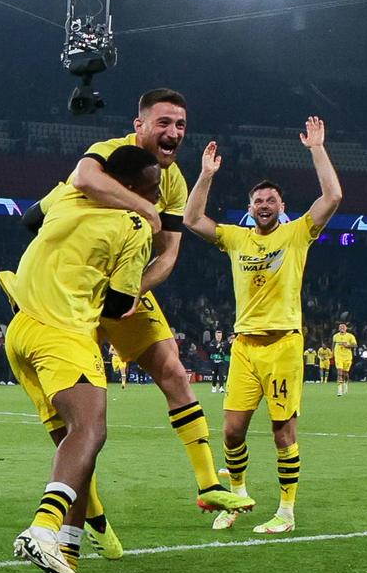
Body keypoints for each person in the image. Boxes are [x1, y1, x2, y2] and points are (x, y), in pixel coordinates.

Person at [25, 89, 250, 521]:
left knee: (174, 370)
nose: (174, 132)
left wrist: (133, 292)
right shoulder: (109, 152)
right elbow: (84, 182)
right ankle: (88, 512)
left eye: (180, 125)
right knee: (81, 417)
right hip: (71, 298)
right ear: (139, 125)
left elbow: (167, 256)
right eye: (164, 122)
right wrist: (143, 209)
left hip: (125, 291)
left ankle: (209, 486)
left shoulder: (175, 181)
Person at [0, 145, 162, 573]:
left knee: (76, 452)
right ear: (132, 189)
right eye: (150, 191)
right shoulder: (133, 227)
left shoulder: (67, 194)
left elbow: (30, 220)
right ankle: (44, 527)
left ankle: (63, 571)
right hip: (65, 331)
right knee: (91, 431)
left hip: (20, 329)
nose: (153, 203)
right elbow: (116, 306)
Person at [185, 118, 345, 535]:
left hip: (283, 346)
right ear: (250, 207)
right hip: (245, 347)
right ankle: (237, 498)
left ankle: (286, 513)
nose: (263, 205)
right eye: (258, 201)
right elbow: (191, 218)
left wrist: (316, 149)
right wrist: (205, 175)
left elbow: (333, 195)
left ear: (280, 205)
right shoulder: (236, 238)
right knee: (232, 430)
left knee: (281, 431)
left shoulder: (297, 235)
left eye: (270, 200)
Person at [332, 322, 357, 397]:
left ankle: (345, 384)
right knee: (339, 372)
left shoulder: (350, 336)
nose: (342, 328)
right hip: (338, 356)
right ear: (339, 328)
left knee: (345, 373)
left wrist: (348, 345)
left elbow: (355, 345)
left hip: (347, 357)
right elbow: (333, 344)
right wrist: (332, 352)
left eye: (343, 327)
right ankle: (339, 390)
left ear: (346, 328)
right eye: (340, 327)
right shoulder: (335, 336)